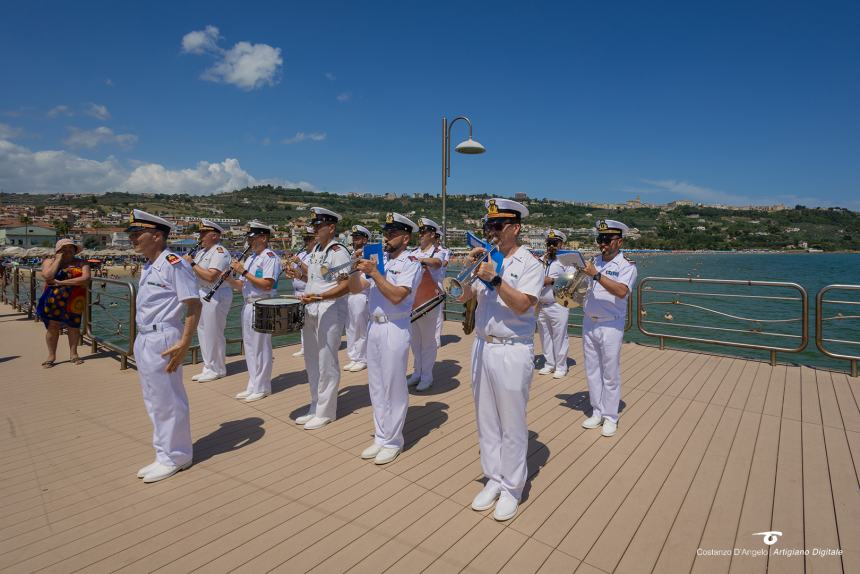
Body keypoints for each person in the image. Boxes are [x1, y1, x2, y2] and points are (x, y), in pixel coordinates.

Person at [457, 198, 543, 521]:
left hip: (512, 349)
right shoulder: (488, 259)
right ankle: (493, 478)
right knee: (486, 420)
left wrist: (494, 279)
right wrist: (466, 273)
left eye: (497, 226)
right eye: (488, 226)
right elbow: (463, 297)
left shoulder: (529, 263)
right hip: (483, 346)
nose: (491, 232)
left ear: (515, 228)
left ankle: (512, 488)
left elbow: (523, 304)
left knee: (512, 422)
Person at [127, 209, 201, 483]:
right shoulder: (150, 265)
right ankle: (164, 453)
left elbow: (193, 304)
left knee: (168, 400)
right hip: (145, 338)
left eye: (137, 234)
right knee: (154, 400)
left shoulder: (174, 263)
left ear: (157, 236)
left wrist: (185, 341)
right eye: (132, 234)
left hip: (164, 338)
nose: (132, 239)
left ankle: (177, 456)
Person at [349, 212, 421, 465]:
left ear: (405, 237)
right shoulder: (381, 261)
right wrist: (353, 268)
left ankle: (394, 440)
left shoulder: (411, 262)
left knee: (394, 386)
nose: (387, 238)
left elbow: (397, 296)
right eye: (386, 233)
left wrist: (375, 273)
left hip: (395, 325)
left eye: (392, 234)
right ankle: (381, 435)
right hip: (374, 327)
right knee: (376, 385)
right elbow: (357, 289)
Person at [580, 219, 638, 438]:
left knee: (610, 373)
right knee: (592, 371)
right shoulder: (594, 261)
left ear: (619, 241)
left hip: (611, 323)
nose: (602, 243)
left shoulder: (627, 266)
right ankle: (597, 411)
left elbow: (622, 291)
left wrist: (596, 275)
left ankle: (611, 416)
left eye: (606, 239)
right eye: (599, 239)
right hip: (589, 321)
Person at [294, 207, 351, 430]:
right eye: (314, 226)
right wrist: (299, 275)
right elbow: (317, 277)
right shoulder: (317, 249)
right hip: (311, 308)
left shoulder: (339, 251)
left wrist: (317, 296)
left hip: (329, 308)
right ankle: (315, 404)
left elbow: (345, 285)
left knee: (327, 361)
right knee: (311, 359)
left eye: (319, 226)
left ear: (331, 228)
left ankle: (326, 411)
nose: (315, 230)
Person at [226, 220, 281, 403]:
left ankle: (263, 386)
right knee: (250, 347)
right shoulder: (251, 258)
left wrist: (243, 271)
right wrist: (228, 279)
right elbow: (242, 286)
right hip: (248, 304)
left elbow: (267, 284)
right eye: (249, 238)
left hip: (263, 304)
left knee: (261, 347)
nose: (250, 242)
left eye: (253, 238)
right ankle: (253, 384)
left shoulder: (269, 257)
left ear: (263, 238)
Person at [185, 219, 232, 383]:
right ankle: (208, 366)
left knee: (214, 332)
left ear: (214, 235)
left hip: (216, 294)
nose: (201, 236)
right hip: (202, 293)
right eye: (201, 233)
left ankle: (218, 368)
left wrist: (192, 263)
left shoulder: (219, 252)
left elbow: (212, 276)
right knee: (203, 331)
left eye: (204, 233)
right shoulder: (201, 252)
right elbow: (195, 273)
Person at [37, 239, 90, 368]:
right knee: (52, 326)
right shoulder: (49, 262)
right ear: (57, 250)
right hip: (53, 300)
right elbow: (48, 276)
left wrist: (61, 283)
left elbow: (85, 278)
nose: (68, 251)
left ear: (75, 250)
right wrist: (58, 260)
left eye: (70, 248)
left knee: (74, 326)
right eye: (63, 249)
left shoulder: (82, 263)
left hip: (74, 300)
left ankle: (73, 354)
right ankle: (51, 356)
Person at [408, 217, 447, 391]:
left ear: (432, 234)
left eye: (424, 232)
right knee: (415, 340)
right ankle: (417, 372)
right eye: (420, 232)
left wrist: (419, 261)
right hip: (413, 301)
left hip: (430, 301)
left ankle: (427, 376)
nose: (420, 236)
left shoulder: (437, 252)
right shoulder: (414, 251)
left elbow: (437, 263)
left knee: (428, 341)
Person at [537, 229, 572, 378]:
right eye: (549, 243)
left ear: (561, 244)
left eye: (554, 243)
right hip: (541, 305)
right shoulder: (540, 259)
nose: (551, 246)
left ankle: (561, 366)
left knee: (559, 336)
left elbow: (571, 279)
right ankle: (549, 364)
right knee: (545, 336)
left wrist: (550, 280)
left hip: (558, 304)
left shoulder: (566, 260)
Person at [284, 226, 316, 357]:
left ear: (315, 239)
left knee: (311, 322)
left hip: (308, 291)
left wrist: (300, 263)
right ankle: (304, 346)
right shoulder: (302, 253)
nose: (305, 241)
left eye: (308, 238)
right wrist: (289, 270)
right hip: (297, 291)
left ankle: (313, 346)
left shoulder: (316, 255)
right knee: (302, 323)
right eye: (304, 238)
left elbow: (314, 274)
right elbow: (297, 272)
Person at [344, 224, 371, 372]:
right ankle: (353, 356)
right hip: (350, 294)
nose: (355, 239)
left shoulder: (368, 254)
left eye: (358, 237)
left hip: (362, 294)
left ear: (365, 239)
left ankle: (363, 358)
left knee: (361, 328)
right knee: (350, 327)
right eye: (354, 237)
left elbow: (367, 276)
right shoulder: (352, 254)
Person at [432, 232, 450, 345]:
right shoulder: (425, 252)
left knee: (438, 312)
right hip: (425, 283)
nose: (436, 240)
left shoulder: (444, 251)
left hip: (438, 283)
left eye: (437, 238)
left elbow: (444, 263)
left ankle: (437, 339)